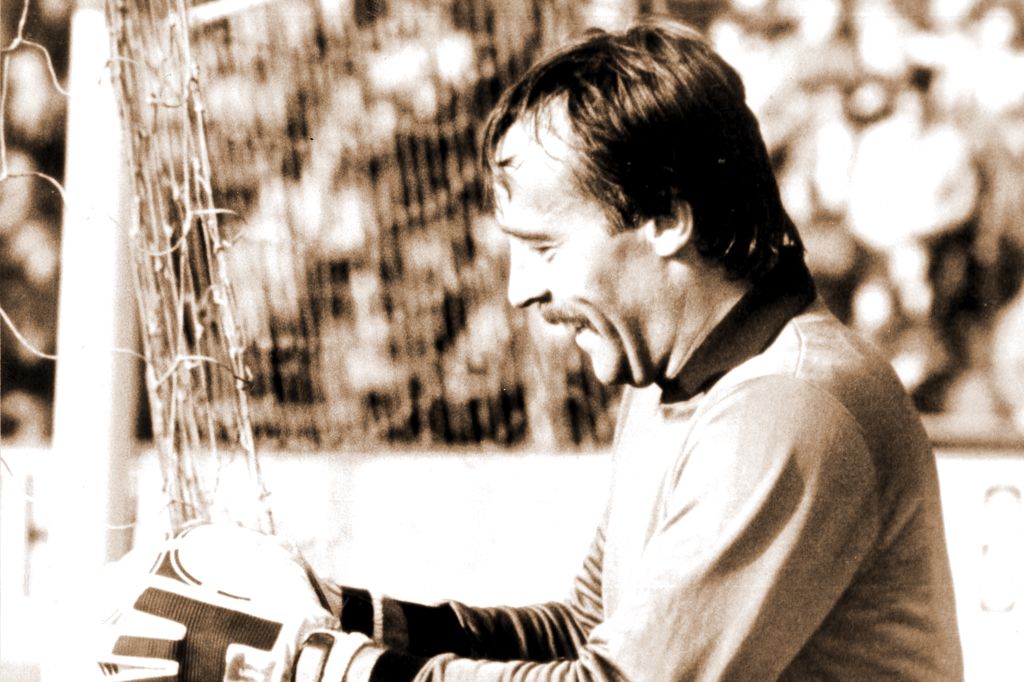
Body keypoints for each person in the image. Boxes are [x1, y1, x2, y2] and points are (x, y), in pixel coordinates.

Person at [95, 17, 963, 681]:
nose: (518, 290)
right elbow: (582, 632)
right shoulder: (679, 381)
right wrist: (346, 614)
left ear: (666, 217)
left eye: (544, 248)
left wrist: (320, 664)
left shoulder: (791, 406)